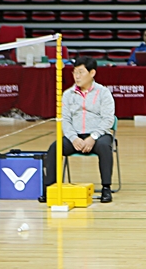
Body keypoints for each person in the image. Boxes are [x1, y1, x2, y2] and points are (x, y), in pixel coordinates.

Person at [39, 56, 116, 204]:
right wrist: (73, 138)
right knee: (55, 147)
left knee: (105, 146)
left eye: (81, 72)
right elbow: (65, 120)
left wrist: (93, 137)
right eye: (75, 72)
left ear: (92, 73)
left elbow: (108, 120)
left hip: (98, 135)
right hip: (75, 136)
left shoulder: (103, 93)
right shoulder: (67, 94)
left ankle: (106, 188)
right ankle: (50, 188)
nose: (77, 76)